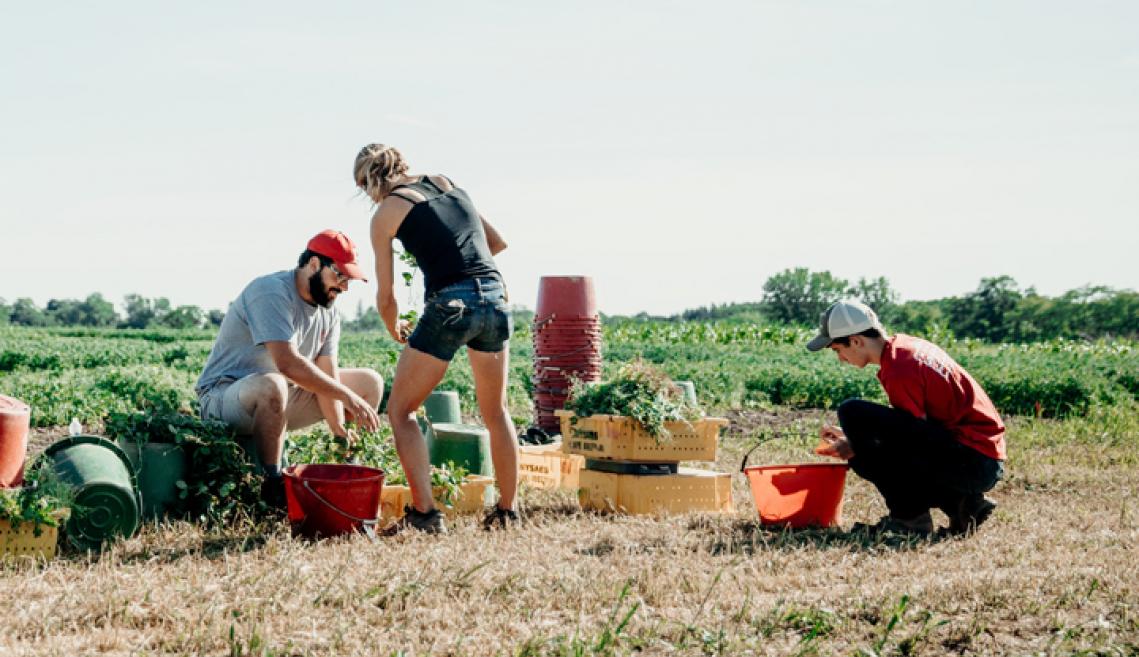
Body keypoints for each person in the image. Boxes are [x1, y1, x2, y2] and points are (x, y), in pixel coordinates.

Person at [353, 143, 518, 534]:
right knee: (495, 412)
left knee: (401, 411)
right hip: (496, 298)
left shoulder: (385, 214)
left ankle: (425, 515)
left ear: (368, 181)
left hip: (451, 304)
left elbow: (386, 295)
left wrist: (393, 326)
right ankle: (507, 512)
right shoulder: (447, 182)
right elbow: (495, 243)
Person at [195, 229, 384, 508]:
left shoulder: (329, 309)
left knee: (370, 382)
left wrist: (339, 431)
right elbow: (288, 364)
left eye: (349, 280)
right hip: (225, 398)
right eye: (339, 276)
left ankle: (348, 472)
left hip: (281, 399)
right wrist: (346, 397)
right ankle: (271, 485)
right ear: (314, 264)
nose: (344, 287)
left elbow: (327, 372)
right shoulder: (270, 292)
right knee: (274, 383)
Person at [807, 300, 1006, 536]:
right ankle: (962, 504)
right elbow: (914, 433)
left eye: (838, 349)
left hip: (973, 461)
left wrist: (856, 444)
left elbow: (906, 445)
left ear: (856, 341)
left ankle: (909, 520)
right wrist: (856, 437)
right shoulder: (907, 348)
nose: (841, 358)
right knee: (864, 441)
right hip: (980, 457)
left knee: (852, 413)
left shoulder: (899, 368)